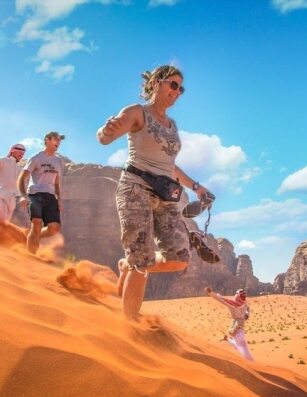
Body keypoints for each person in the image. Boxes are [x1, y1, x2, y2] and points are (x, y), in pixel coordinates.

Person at [97, 64, 213, 319]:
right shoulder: (137, 112)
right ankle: (130, 329)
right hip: (135, 189)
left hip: (165, 195)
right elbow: (104, 138)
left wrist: (195, 187)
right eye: (173, 85)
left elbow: (169, 165)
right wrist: (105, 131)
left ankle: (128, 263)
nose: (177, 92)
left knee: (180, 258)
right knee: (142, 263)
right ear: (156, 83)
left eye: (181, 88)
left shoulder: (172, 125)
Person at [17, 132, 65, 254]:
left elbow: (56, 183)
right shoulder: (36, 158)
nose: (58, 142)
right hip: (35, 194)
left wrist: (59, 199)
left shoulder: (58, 161)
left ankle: (33, 235)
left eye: (60, 140)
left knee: (54, 228)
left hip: (50, 196)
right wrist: (23, 196)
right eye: (56, 139)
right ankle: (30, 258)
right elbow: (22, 178)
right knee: (37, 223)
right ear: (47, 140)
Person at [205, 287, 254, 361]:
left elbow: (221, 299)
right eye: (242, 295)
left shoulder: (234, 304)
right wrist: (246, 315)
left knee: (239, 346)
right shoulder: (242, 303)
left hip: (238, 327)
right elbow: (247, 308)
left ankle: (227, 339)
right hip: (238, 327)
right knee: (242, 347)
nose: (243, 297)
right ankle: (253, 364)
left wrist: (211, 293)